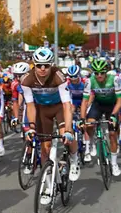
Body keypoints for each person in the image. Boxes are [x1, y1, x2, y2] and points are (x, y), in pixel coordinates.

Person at [21, 47, 80, 186]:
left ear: (51, 65)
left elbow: (66, 104)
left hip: (59, 107)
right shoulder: (26, 80)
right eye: (39, 65)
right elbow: (30, 105)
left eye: (46, 65)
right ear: (33, 65)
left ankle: (74, 159)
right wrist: (32, 127)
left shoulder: (59, 76)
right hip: (42, 110)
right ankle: (47, 186)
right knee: (45, 148)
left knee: (66, 136)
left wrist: (68, 129)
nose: (42, 69)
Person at [82, 58, 121, 176]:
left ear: (106, 72)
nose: (99, 75)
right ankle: (92, 142)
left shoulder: (114, 79)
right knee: (89, 124)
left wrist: (114, 116)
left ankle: (114, 163)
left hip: (112, 106)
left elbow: (119, 101)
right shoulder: (90, 81)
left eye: (102, 73)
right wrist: (82, 118)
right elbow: (85, 102)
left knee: (112, 134)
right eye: (96, 73)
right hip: (98, 105)